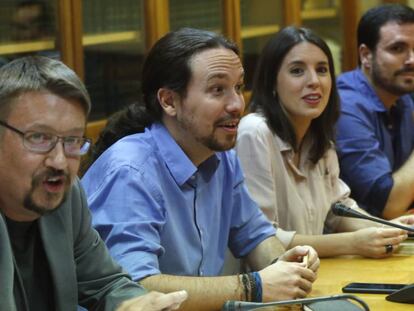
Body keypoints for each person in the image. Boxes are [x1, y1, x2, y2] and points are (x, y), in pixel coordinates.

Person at [81, 28, 319, 311]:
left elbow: (255, 235)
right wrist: (254, 286)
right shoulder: (130, 171)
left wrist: (283, 265)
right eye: (217, 90)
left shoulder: (221, 156)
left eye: (238, 87)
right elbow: (136, 287)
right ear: (169, 101)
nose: (237, 104)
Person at [0, 56, 187, 311]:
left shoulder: (67, 195)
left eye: (73, 141)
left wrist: (139, 304)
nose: (59, 162)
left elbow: (105, 284)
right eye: (39, 137)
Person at [235, 26, 414, 259]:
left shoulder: (318, 135)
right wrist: (352, 243)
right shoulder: (255, 132)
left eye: (322, 70)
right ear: (272, 82)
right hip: (268, 286)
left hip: (313, 276)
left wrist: (385, 229)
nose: (314, 82)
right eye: (297, 71)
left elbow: (338, 211)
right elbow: (263, 238)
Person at [335, 4, 414, 219]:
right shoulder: (345, 106)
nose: (411, 60)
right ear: (366, 55)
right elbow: (388, 206)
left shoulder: (403, 96)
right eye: (398, 49)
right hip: (345, 245)